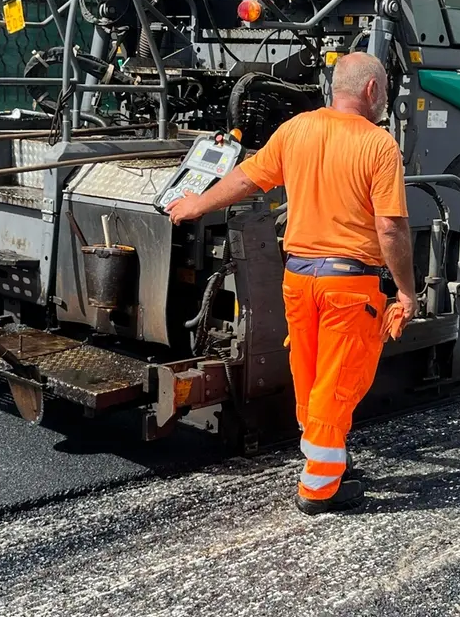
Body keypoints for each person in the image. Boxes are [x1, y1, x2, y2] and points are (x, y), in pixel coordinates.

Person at [167, 52, 417, 514]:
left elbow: (245, 179)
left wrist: (196, 204)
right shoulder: (379, 145)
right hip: (349, 286)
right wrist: (406, 289)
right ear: (371, 91)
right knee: (337, 385)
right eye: (383, 90)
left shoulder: (297, 129)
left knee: (310, 378)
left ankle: (330, 460)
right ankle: (319, 489)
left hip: (299, 280)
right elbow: (390, 229)